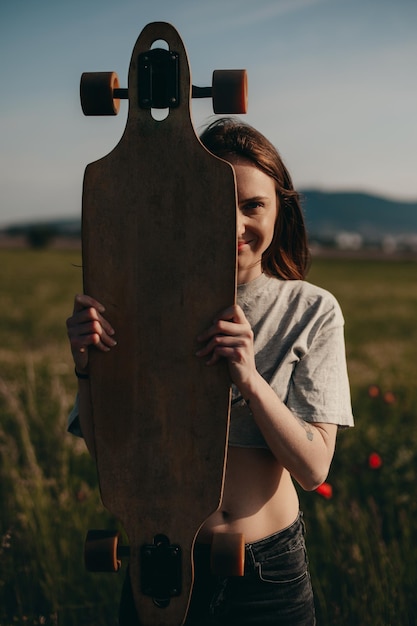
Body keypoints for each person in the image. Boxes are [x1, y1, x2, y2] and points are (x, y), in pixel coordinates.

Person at [66, 118, 354, 625]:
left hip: (267, 573)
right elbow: (106, 448)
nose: (235, 223)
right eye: (217, 202)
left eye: (253, 205)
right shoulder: (138, 305)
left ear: (279, 209)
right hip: (160, 561)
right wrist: (87, 369)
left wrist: (248, 377)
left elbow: (313, 469)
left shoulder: (311, 310)